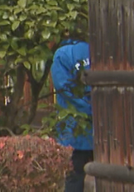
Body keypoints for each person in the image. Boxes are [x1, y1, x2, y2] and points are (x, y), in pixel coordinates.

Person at [53, 38, 93, 192]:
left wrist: (85, 108)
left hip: (73, 129)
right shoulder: (99, 49)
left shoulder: (62, 54)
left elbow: (63, 87)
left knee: (74, 177)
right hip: (103, 128)